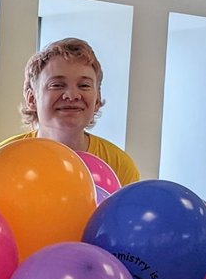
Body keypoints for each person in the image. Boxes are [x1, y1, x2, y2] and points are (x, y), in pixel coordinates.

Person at [8, 38, 140, 186]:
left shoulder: (118, 166)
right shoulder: (4, 158)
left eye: (84, 85)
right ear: (32, 99)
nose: (72, 95)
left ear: (97, 100)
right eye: (57, 85)